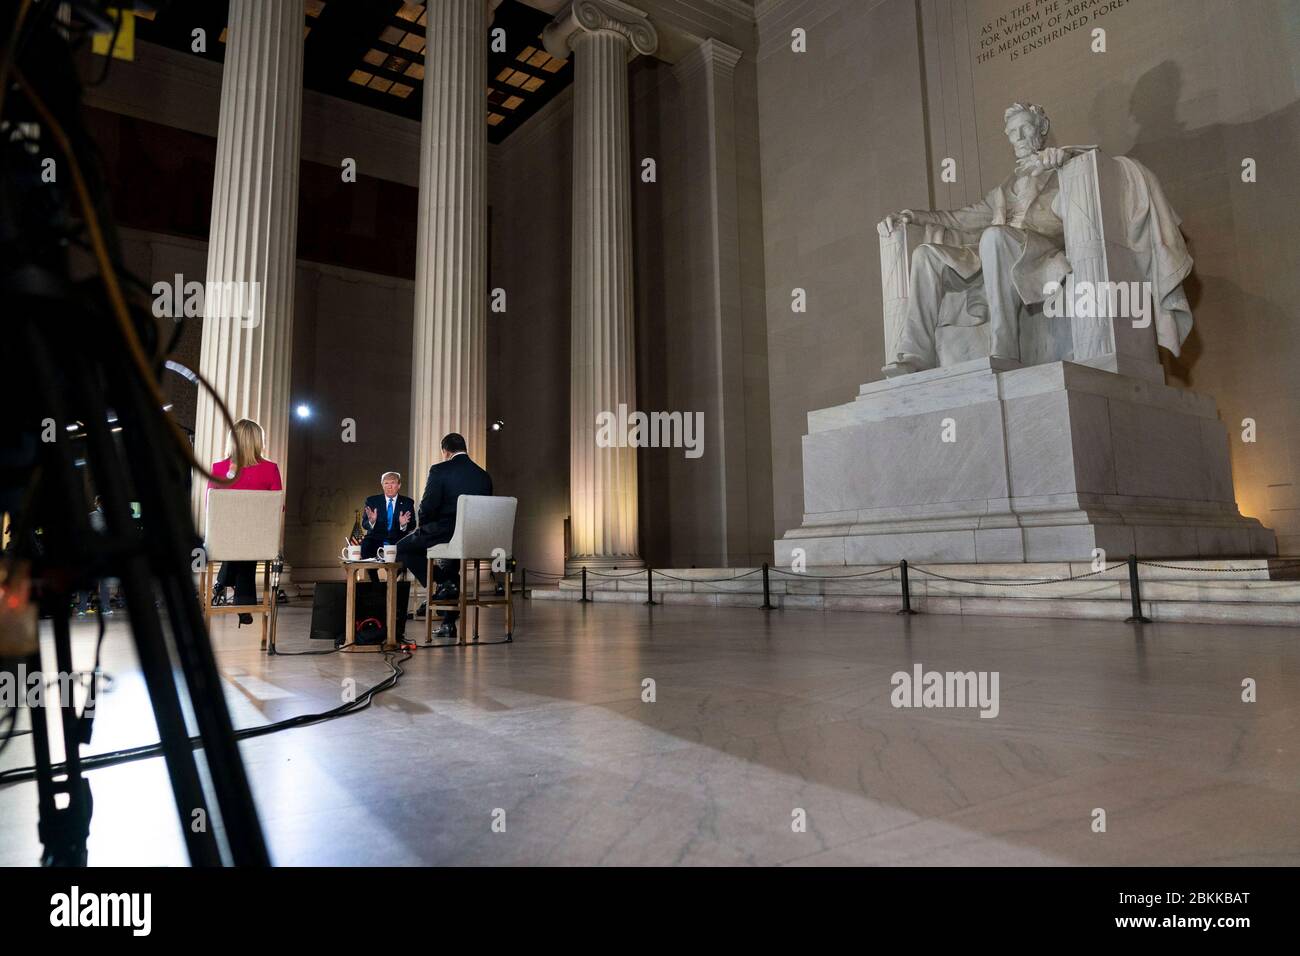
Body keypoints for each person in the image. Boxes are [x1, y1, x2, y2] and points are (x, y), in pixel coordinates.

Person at [878, 103, 1077, 376]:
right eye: (1011, 132)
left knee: (994, 237)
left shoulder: (1063, 168)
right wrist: (913, 216)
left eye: (1025, 128)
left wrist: (1066, 158)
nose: (1017, 137)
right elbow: (958, 218)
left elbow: (1096, 162)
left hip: (1038, 252)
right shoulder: (1002, 191)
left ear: (1041, 128)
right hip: (995, 254)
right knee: (925, 255)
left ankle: (1004, 349)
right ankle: (916, 353)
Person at [395, 433, 492, 639]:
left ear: (446, 451)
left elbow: (428, 506)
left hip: (445, 531)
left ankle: (442, 583)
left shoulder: (440, 470)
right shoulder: (483, 476)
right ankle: (449, 623)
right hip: (474, 536)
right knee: (450, 565)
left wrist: (424, 528)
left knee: (402, 547)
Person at [207, 419, 282, 626]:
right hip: (257, 540)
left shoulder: (219, 468)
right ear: (259, 441)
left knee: (237, 540)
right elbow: (278, 508)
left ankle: (223, 581)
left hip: (224, 539)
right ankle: (244, 602)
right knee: (246, 544)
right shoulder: (270, 469)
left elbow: (210, 507)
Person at [359, 471, 414, 581]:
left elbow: (413, 525)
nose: (389, 486)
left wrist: (403, 525)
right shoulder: (372, 501)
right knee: (365, 544)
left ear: (399, 485)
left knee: (409, 548)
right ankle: (375, 582)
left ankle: (392, 580)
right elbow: (364, 524)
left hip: (397, 539)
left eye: (393, 483)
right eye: (386, 483)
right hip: (376, 539)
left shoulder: (407, 502)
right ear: (382, 485)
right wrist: (372, 522)